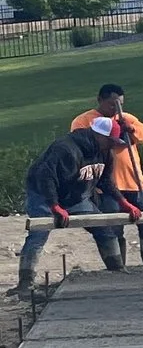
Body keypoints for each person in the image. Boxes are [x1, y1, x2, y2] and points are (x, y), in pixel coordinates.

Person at [14, 124, 127, 298]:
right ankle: (25, 283)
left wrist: (123, 201)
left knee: (104, 230)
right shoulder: (65, 149)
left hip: (77, 198)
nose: (112, 145)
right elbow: (46, 177)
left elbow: (106, 181)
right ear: (99, 136)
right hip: (43, 195)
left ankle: (117, 270)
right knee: (39, 234)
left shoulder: (105, 153)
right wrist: (54, 206)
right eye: (110, 141)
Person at [69, 84, 143, 266]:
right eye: (111, 104)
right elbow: (80, 145)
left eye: (119, 104)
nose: (115, 109)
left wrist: (130, 130)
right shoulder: (84, 121)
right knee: (113, 229)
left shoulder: (126, 118)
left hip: (136, 183)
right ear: (100, 100)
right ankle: (118, 268)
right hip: (108, 187)